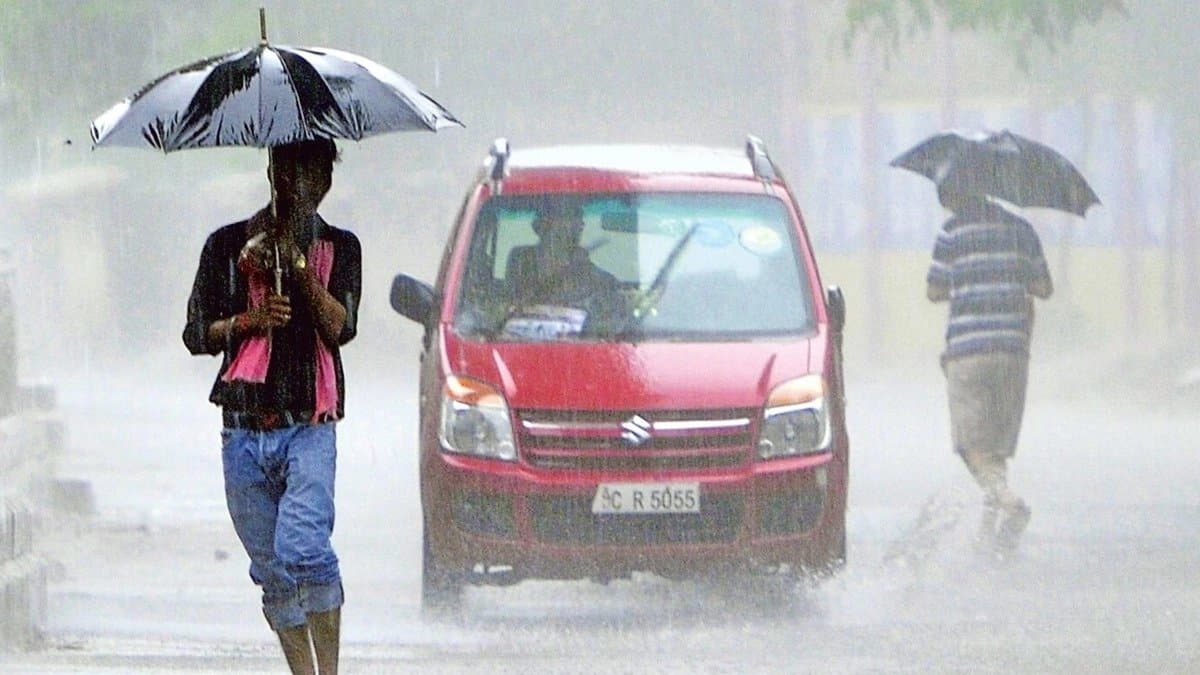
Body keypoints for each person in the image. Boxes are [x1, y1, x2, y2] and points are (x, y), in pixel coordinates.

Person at [182, 138, 361, 675]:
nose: (303, 185)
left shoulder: (341, 248)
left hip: (309, 422)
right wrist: (248, 320)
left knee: (304, 548)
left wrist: (300, 269)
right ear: (272, 172)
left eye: (315, 173)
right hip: (242, 428)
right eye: (292, 172)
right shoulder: (225, 247)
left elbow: (340, 326)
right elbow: (195, 333)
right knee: (272, 570)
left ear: (328, 180)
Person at [925, 179, 1052, 555]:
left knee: (970, 444)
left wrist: (967, 280)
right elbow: (1043, 288)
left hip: (968, 351)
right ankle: (989, 531)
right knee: (995, 443)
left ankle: (1006, 500)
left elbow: (933, 291)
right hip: (1013, 350)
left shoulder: (951, 233)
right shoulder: (1021, 230)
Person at [504, 202, 626, 336]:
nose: (576, 227)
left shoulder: (601, 282)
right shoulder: (522, 265)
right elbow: (506, 307)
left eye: (576, 221)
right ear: (541, 226)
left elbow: (609, 328)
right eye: (563, 219)